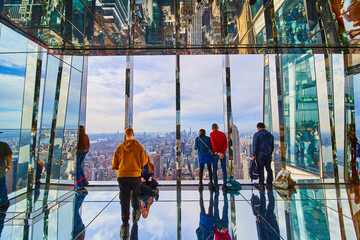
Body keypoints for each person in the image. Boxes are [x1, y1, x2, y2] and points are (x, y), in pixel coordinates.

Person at [112, 128, 147, 239]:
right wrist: (140, 166)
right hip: (135, 175)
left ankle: (125, 225)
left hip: (122, 176)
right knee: (135, 194)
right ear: (133, 134)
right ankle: (136, 210)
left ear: (125, 135)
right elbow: (144, 160)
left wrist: (118, 168)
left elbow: (115, 162)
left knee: (124, 199)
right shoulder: (138, 146)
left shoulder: (120, 147)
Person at [252, 122, 274, 190]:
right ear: (264, 127)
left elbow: (255, 145)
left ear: (258, 127)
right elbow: (272, 146)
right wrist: (270, 153)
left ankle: (261, 184)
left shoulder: (257, 134)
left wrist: (254, 155)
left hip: (260, 154)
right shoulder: (270, 135)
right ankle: (269, 184)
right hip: (268, 154)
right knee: (269, 169)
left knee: (260, 169)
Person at [210, 123, 228, 193]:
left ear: (212, 128)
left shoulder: (212, 134)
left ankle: (216, 186)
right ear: (217, 127)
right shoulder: (223, 134)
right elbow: (225, 144)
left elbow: (213, 144)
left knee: (215, 170)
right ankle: (224, 186)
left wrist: (218, 152)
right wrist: (222, 152)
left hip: (215, 154)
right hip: (222, 154)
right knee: (224, 170)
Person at [76, 125, 90, 192]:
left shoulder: (78, 136)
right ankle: (84, 181)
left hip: (79, 152)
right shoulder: (86, 135)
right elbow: (88, 144)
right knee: (79, 167)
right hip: (84, 152)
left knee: (77, 168)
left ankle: (80, 185)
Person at [0, 139, 12, 211]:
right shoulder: (3, 145)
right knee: (1, 187)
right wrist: (8, 166)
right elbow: (9, 157)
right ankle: (3, 204)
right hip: (0, 172)